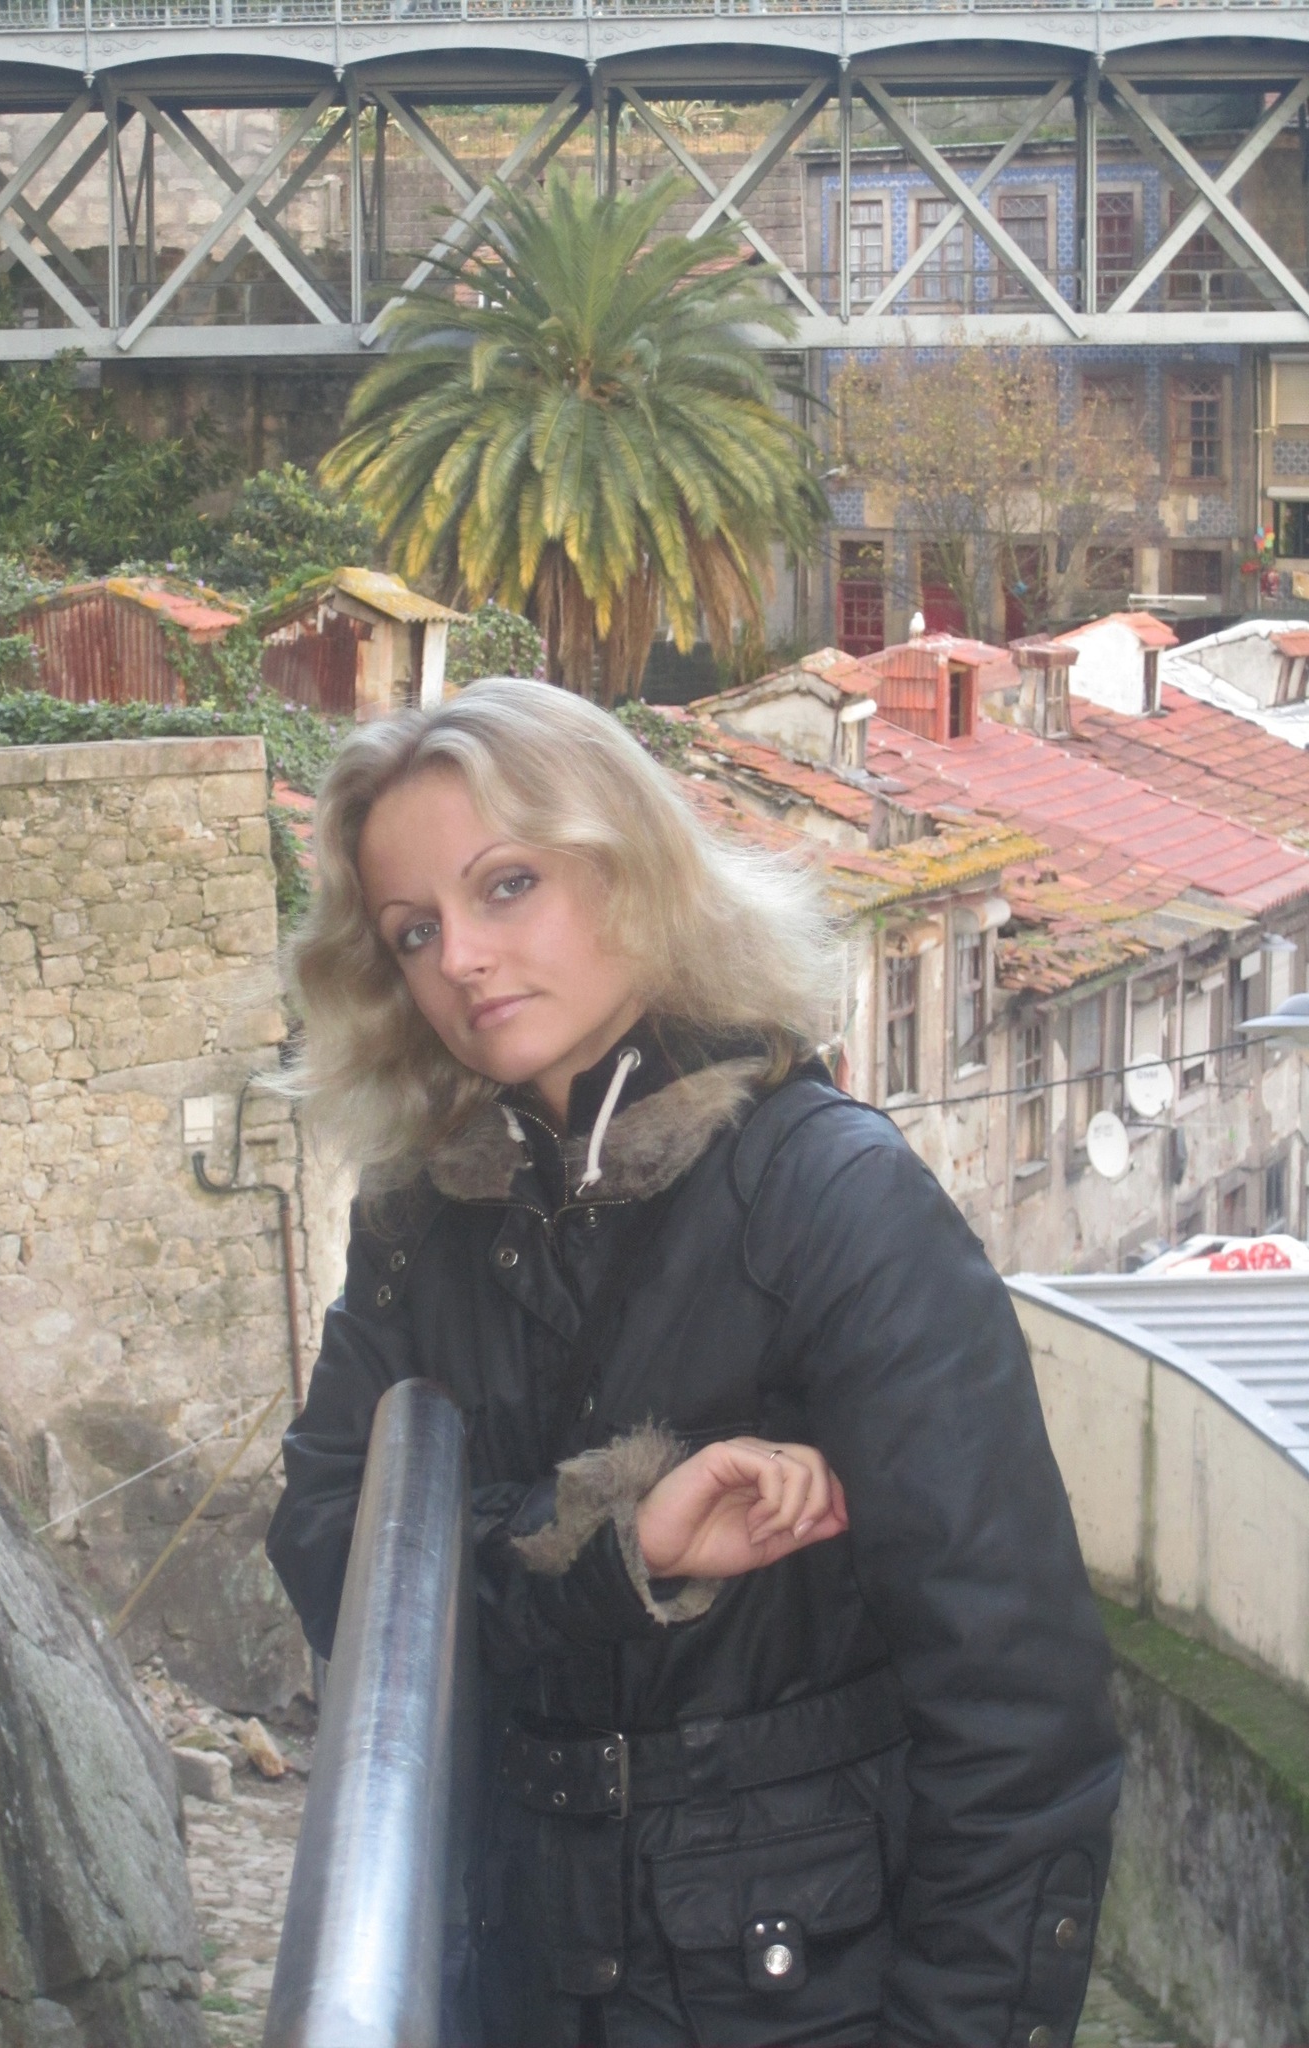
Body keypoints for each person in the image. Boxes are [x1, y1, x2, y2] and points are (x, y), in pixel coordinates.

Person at [266, 678, 1122, 2048]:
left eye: (507, 885)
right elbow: (333, 1558)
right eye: (413, 930)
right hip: (509, 1982)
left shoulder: (832, 1197)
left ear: (633, 868)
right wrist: (614, 1542)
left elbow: (1024, 1723)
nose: (461, 959)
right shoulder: (420, 1221)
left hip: (797, 1999)